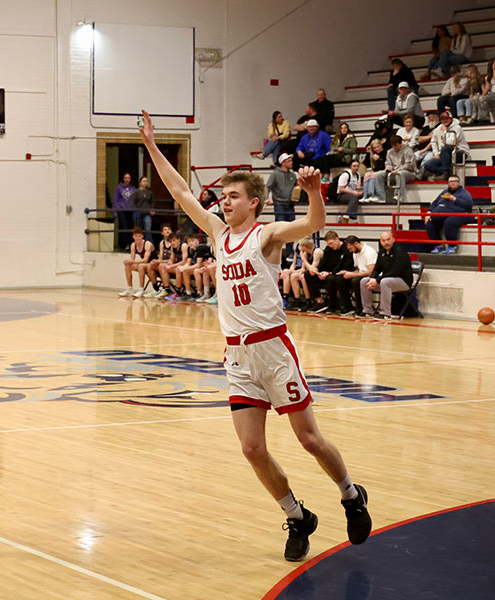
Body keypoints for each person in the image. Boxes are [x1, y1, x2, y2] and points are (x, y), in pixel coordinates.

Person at [139, 109, 371, 561]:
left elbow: (311, 225)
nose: (224, 202)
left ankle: (349, 493)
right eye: (222, 196)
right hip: (237, 356)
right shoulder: (216, 231)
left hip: (273, 350)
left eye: (232, 197)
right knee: (250, 448)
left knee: (309, 440)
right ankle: (297, 515)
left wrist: (314, 193)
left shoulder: (267, 236)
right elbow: (181, 190)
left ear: (254, 203)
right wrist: (151, 145)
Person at [360, 232, 413, 319]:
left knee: (385, 282)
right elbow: (377, 269)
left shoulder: (400, 252)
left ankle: (385, 313)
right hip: (387, 280)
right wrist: (372, 278)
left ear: (393, 239)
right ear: (380, 241)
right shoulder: (381, 253)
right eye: (383, 240)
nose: (386, 242)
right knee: (364, 281)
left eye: (388, 239)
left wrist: (377, 280)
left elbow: (394, 272)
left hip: (403, 281)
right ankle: (367, 311)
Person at [424, 174, 474, 254]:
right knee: (429, 222)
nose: (453, 183)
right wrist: (429, 212)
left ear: (459, 183)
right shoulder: (444, 192)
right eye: (451, 181)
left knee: (449, 222)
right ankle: (438, 245)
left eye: (455, 181)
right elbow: (434, 203)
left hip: (461, 214)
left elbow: (468, 205)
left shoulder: (464, 193)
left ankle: (452, 246)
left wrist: (454, 199)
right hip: (442, 214)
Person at [307, 230, 354, 314]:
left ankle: (335, 304)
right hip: (328, 274)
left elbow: (345, 267)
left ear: (337, 239)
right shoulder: (328, 249)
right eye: (328, 244)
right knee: (308, 274)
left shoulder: (346, 249)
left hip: (340, 275)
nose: (330, 246)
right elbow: (323, 264)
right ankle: (319, 301)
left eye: (331, 243)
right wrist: (317, 271)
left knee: (331, 278)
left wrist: (329, 273)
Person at [338, 235, 378, 317]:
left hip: (370, 276)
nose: (350, 251)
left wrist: (353, 275)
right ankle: (347, 306)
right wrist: (348, 273)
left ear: (356, 244)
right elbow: (357, 269)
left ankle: (360, 308)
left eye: (351, 248)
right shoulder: (355, 253)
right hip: (361, 274)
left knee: (355, 281)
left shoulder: (369, 252)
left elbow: (371, 272)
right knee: (340, 279)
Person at [423, 110, 469, 180]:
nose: (444, 121)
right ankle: (446, 172)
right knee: (428, 165)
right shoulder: (438, 128)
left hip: (459, 152)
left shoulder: (457, 128)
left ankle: (445, 174)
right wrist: (435, 153)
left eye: (446, 119)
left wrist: (445, 131)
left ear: (451, 119)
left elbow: (451, 143)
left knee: (445, 148)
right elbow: (433, 141)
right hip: (444, 154)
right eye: (442, 119)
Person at [376, 135, 417, 203]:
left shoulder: (408, 150)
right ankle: (381, 197)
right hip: (393, 172)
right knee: (379, 175)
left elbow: (409, 165)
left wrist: (397, 170)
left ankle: (399, 195)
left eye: (396, 145)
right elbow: (388, 163)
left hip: (409, 172)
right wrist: (388, 169)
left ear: (400, 143)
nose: (394, 147)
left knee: (400, 174)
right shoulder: (389, 152)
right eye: (393, 146)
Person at [119, 227, 156, 296]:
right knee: (128, 266)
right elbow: (132, 259)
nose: (138, 238)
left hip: (153, 264)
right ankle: (129, 289)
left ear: (142, 236)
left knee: (140, 266)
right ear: (133, 237)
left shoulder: (148, 244)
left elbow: (145, 260)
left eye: (139, 236)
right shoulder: (133, 245)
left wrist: (132, 262)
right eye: (136, 236)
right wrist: (128, 261)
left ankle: (141, 289)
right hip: (144, 265)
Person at [142, 223, 174, 297]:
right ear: (162, 233)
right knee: (151, 266)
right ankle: (156, 289)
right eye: (165, 230)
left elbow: (172, 260)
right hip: (164, 263)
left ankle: (166, 289)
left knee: (161, 265)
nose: (167, 231)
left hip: (172, 264)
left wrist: (159, 262)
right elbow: (161, 257)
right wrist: (156, 261)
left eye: (169, 229)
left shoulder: (173, 242)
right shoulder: (162, 243)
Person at [267, 153, 298, 223]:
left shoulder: (293, 175)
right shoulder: (275, 174)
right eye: (289, 161)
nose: (291, 162)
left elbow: (296, 186)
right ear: (283, 163)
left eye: (291, 160)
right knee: (280, 225)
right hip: (279, 204)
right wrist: (266, 198)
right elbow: (268, 186)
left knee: (292, 226)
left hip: (290, 204)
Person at [113, 173, 136, 250]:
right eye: (125, 178)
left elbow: (135, 200)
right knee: (124, 226)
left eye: (128, 178)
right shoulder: (119, 188)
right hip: (121, 210)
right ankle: (124, 244)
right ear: (123, 179)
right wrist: (115, 211)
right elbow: (115, 200)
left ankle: (131, 244)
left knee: (130, 227)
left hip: (130, 210)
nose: (127, 179)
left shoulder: (133, 188)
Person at [133, 176, 155, 244]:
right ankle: (138, 244)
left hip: (147, 213)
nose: (145, 183)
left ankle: (150, 245)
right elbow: (133, 202)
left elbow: (152, 202)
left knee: (147, 229)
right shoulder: (136, 192)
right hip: (138, 212)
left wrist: (152, 209)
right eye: (144, 181)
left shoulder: (150, 192)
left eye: (146, 181)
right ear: (140, 183)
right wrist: (135, 209)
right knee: (138, 230)